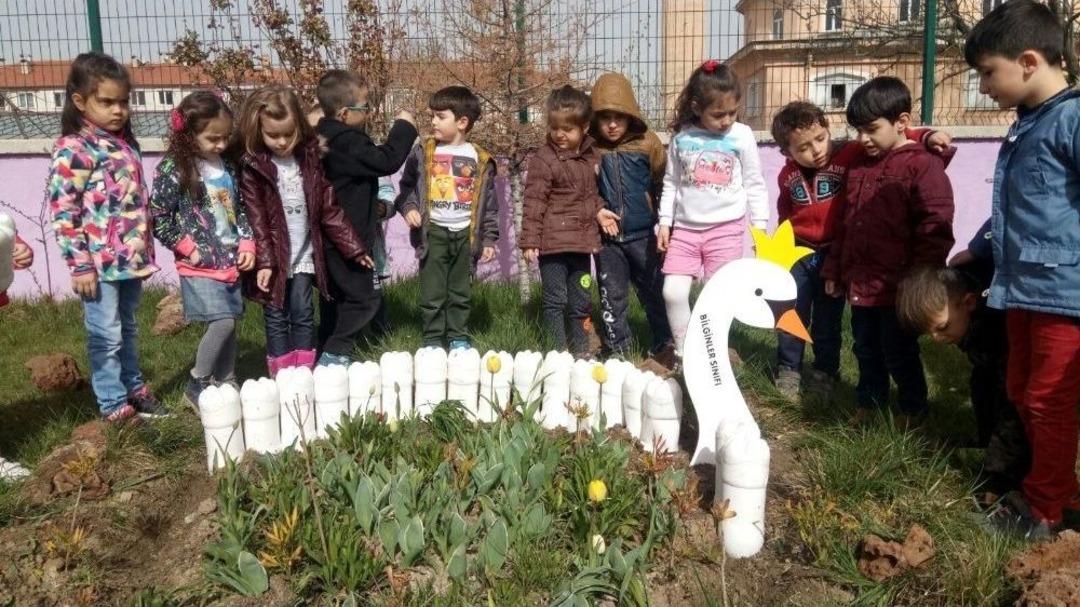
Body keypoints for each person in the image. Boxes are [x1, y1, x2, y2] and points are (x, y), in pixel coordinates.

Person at [961, 0, 1080, 538]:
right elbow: (1018, 209)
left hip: (1064, 295)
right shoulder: (1027, 126)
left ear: (1028, 61)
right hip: (1021, 291)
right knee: (1021, 390)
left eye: (988, 73)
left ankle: (1045, 510)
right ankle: (1057, 489)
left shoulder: (1072, 120)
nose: (984, 86)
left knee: (1049, 402)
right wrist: (981, 249)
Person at [770, 101, 951, 402]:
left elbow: (892, 134)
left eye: (820, 138)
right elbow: (785, 213)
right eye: (803, 147)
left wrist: (927, 136)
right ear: (787, 152)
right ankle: (789, 368)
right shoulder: (785, 176)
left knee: (827, 320)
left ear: (828, 131)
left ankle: (825, 371)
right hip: (798, 253)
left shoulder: (849, 155)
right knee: (790, 314)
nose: (815, 150)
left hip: (835, 254)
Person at [820, 76, 955, 426]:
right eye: (857, 131)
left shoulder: (922, 165)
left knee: (900, 352)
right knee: (865, 349)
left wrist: (922, 279)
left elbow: (934, 225)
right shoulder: (860, 166)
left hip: (900, 287)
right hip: (861, 285)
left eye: (870, 129)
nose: (862, 139)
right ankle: (869, 405)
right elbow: (845, 223)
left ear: (902, 122)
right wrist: (835, 270)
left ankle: (913, 410)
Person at [45, 52, 165, 422]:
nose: (118, 110)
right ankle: (113, 404)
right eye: (107, 102)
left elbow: (131, 202)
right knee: (105, 334)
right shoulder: (74, 149)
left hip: (127, 260)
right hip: (96, 265)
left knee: (127, 327)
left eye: (123, 101)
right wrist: (80, 265)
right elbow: (64, 212)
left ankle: (134, 388)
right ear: (80, 101)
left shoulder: (124, 144)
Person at [237, 85, 368, 375]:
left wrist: (353, 247)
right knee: (275, 315)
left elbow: (329, 208)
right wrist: (266, 262)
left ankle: (304, 369)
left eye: (288, 133)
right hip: (272, 258)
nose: (282, 141)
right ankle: (281, 371)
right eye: (273, 135)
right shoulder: (255, 167)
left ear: (299, 127)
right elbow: (257, 219)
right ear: (259, 130)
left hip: (304, 255)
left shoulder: (309, 161)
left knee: (303, 312)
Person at [658, 60, 769, 366]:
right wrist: (665, 222)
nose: (726, 120)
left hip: (726, 229)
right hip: (685, 231)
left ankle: (714, 352)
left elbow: (755, 184)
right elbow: (671, 182)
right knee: (673, 292)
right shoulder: (681, 138)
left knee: (717, 297)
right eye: (718, 114)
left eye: (732, 112)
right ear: (696, 107)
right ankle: (684, 353)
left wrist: (759, 229)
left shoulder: (743, 135)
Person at [150, 91, 255, 407]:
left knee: (230, 324)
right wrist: (186, 247)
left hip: (229, 259)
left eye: (225, 137)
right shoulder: (173, 169)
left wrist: (247, 241)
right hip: (198, 264)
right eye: (213, 138)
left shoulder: (226, 165)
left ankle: (225, 382)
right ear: (188, 134)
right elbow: (158, 216)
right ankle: (197, 382)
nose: (221, 144)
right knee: (221, 322)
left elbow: (241, 207)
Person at [896, 261, 1029, 503]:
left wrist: (997, 475)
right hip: (990, 367)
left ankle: (1007, 478)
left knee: (1005, 403)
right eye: (930, 333)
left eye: (942, 327)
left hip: (1027, 376)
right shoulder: (969, 322)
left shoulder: (996, 327)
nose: (936, 339)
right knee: (981, 384)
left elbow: (1010, 410)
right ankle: (986, 446)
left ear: (969, 303)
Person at [313, 70, 417, 365]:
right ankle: (335, 353)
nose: (369, 112)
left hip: (331, 236)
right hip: (350, 238)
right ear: (345, 113)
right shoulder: (346, 140)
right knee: (364, 298)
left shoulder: (324, 136)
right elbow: (386, 160)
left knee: (334, 299)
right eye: (366, 106)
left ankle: (324, 349)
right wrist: (404, 127)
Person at [396, 86, 498, 350]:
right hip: (434, 233)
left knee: (460, 292)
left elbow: (489, 205)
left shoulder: (481, 159)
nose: (433, 122)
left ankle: (458, 338)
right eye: (432, 116)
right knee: (432, 291)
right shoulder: (423, 152)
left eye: (440, 117)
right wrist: (409, 209)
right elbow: (406, 187)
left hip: (466, 234)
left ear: (462, 122)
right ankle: (431, 340)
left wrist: (488, 239)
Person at [589, 72, 675, 368]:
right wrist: (597, 210)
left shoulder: (648, 142)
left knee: (654, 290)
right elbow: (585, 190)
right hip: (608, 241)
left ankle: (666, 344)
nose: (612, 124)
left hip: (644, 236)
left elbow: (663, 183)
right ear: (595, 119)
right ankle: (619, 352)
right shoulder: (591, 148)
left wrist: (666, 223)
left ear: (631, 115)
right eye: (604, 118)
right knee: (612, 297)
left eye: (619, 117)